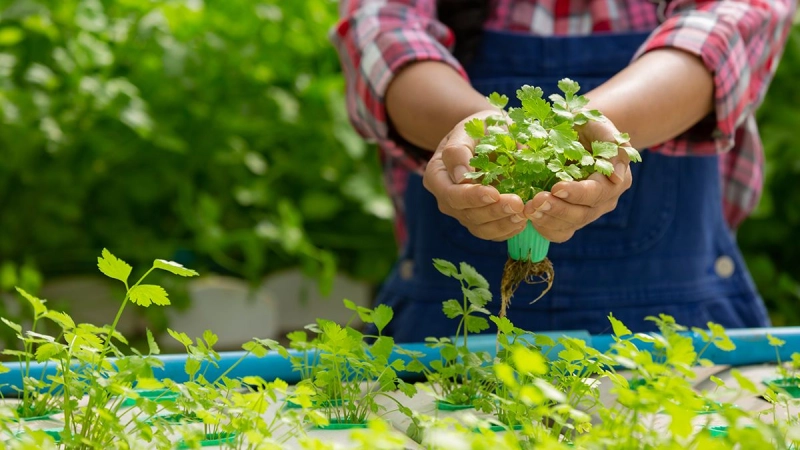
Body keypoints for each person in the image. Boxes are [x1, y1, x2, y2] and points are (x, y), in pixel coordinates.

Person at [331, 0, 797, 343]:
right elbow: (382, 33)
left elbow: (726, 28)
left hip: (674, 324)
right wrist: (481, 135)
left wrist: (583, 132)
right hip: (450, 334)